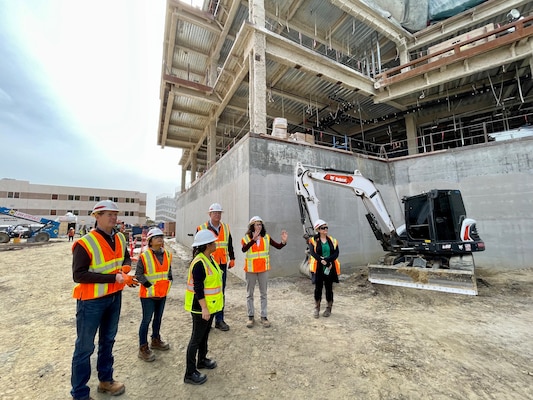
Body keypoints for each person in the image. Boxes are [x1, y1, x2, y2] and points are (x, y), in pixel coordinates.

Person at [70, 200, 138, 400]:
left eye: (115, 214)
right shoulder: (85, 243)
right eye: (109, 214)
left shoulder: (119, 238)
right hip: (91, 302)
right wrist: (113, 277)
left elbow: (125, 257)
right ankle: (80, 394)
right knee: (85, 347)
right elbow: (79, 275)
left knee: (108, 341)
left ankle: (106, 380)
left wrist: (125, 268)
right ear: (96, 216)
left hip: (114, 297)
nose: (113, 218)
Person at [184, 230, 224, 385]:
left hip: (210, 306)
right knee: (196, 338)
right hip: (200, 308)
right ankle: (189, 373)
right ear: (207, 245)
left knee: (204, 335)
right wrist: (204, 309)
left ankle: (202, 360)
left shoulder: (209, 258)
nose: (215, 244)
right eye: (213, 242)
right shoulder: (199, 263)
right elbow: (198, 288)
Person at [241, 216, 288, 328]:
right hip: (251, 270)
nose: (259, 226)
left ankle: (264, 316)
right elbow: (243, 249)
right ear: (252, 226)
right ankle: (251, 316)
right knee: (250, 294)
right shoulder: (246, 238)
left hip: (263, 270)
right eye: (257, 224)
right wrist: (253, 240)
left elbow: (278, 246)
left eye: (260, 224)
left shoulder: (266, 237)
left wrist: (283, 242)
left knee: (264, 294)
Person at [135, 227, 173, 362]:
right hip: (148, 295)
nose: (160, 239)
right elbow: (138, 274)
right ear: (150, 241)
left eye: (161, 237)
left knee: (158, 318)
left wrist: (169, 281)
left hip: (162, 294)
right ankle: (143, 347)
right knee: (146, 320)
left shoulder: (167, 254)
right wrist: (149, 286)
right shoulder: (145, 256)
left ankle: (155, 340)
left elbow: (168, 271)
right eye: (157, 237)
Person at [196, 203, 235, 331]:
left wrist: (232, 258)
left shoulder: (226, 227)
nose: (217, 215)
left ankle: (219, 320)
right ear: (210, 214)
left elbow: (229, 244)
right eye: (215, 213)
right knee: (206, 291)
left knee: (220, 292)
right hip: (207, 264)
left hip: (222, 264)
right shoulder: (202, 228)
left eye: (219, 213)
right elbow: (196, 247)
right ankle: (206, 319)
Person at [308, 219, 340, 318]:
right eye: (323, 228)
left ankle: (328, 307)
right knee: (318, 288)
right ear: (318, 229)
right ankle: (317, 308)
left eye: (326, 227)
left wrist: (328, 260)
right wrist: (321, 260)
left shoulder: (333, 240)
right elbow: (313, 252)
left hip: (329, 267)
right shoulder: (313, 240)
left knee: (329, 288)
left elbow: (336, 253)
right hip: (318, 268)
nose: (325, 229)